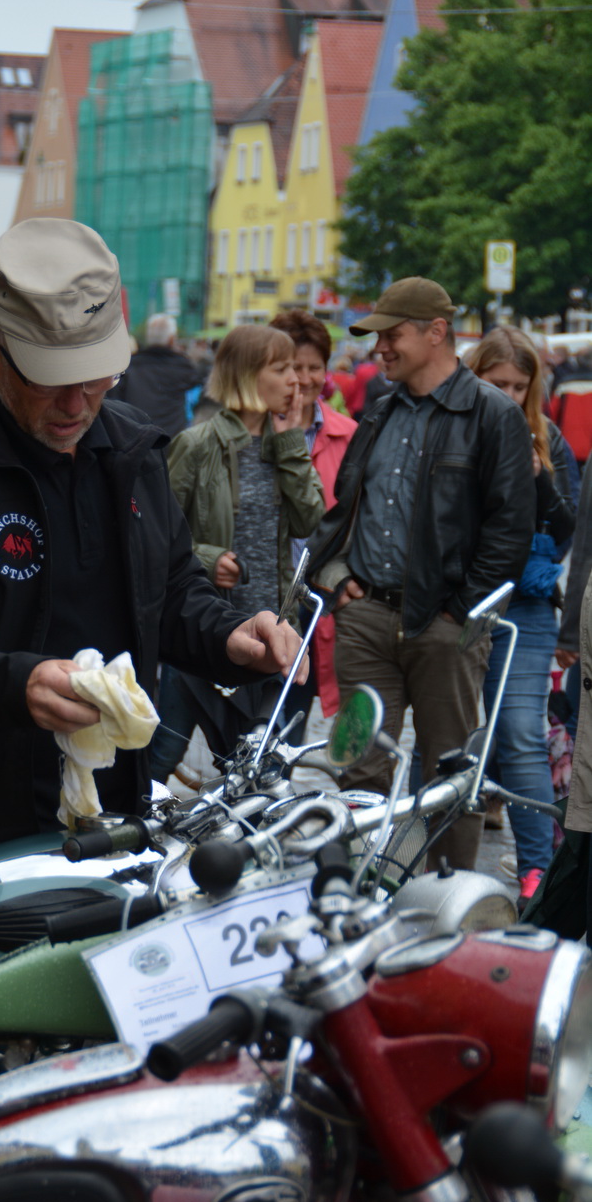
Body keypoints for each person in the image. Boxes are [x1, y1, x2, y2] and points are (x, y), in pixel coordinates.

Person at [0, 218, 304, 884]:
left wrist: (231, 634)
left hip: (112, 816)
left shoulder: (130, 448)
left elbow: (172, 591)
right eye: (50, 379)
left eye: (95, 377)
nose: (75, 403)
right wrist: (18, 686)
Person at [309, 276, 536, 870]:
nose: (379, 348)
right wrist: (337, 576)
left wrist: (461, 612)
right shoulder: (380, 411)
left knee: (449, 775)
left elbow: (511, 528)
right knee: (358, 767)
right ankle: (352, 894)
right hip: (366, 620)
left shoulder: (493, 414)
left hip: (445, 627)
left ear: (437, 332)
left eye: (392, 335)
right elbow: (346, 506)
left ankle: (447, 900)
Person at [148, 324, 325, 779]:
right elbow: (154, 536)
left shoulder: (284, 443)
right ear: (247, 374)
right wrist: (208, 560)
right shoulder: (196, 444)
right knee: (162, 753)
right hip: (207, 629)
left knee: (263, 766)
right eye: (281, 369)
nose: (296, 380)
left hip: (272, 633)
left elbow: (310, 522)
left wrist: (291, 445)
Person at [465, 328, 576, 902]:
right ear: (475, 378)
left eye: (518, 386)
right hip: (460, 601)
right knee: (449, 735)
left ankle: (537, 872)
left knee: (520, 734)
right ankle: (432, 863)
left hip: (527, 607)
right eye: (497, 383)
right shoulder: (455, 428)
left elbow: (569, 529)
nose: (508, 396)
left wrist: (539, 479)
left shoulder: (547, 437)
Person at [270, 309, 358, 725]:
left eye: (314, 368)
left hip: (317, 596)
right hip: (263, 593)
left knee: (294, 718)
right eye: (293, 367)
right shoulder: (251, 432)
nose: (304, 379)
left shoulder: (348, 433)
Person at [113, 313, 201, 438]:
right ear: (172, 339)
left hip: (138, 439)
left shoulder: (130, 367)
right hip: (173, 441)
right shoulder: (183, 368)